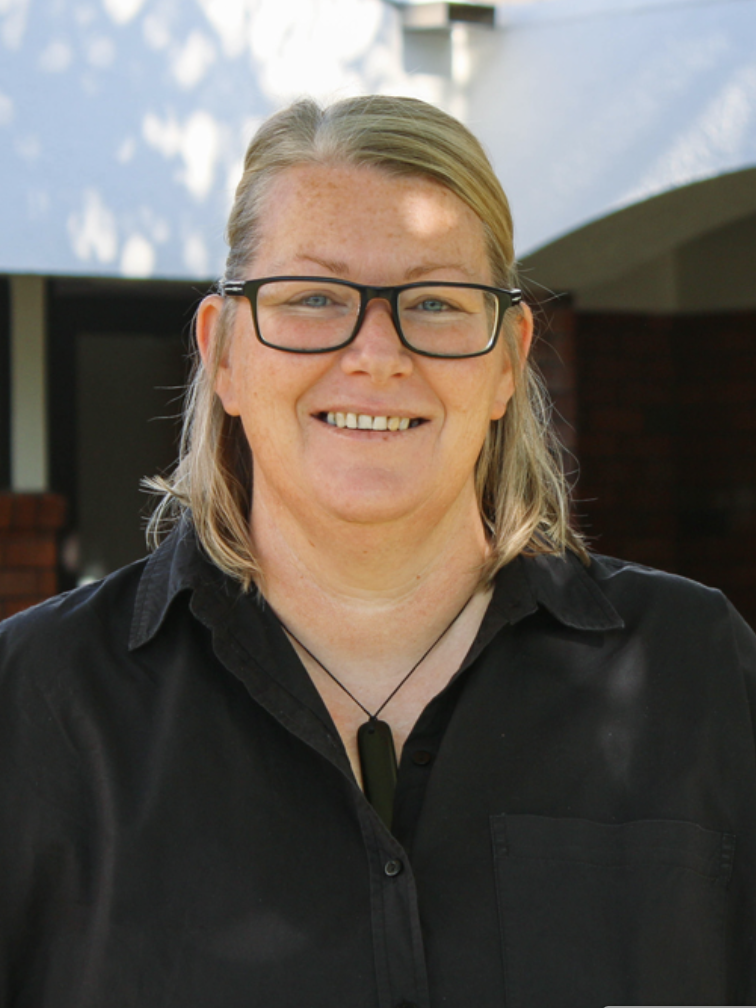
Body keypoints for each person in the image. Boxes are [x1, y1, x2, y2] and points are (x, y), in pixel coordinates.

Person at [1, 95, 755, 1008]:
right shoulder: (36, 703)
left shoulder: (697, 673)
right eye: (314, 297)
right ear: (224, 352)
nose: (376, 353)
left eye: (434, 302)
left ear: (508, 360)